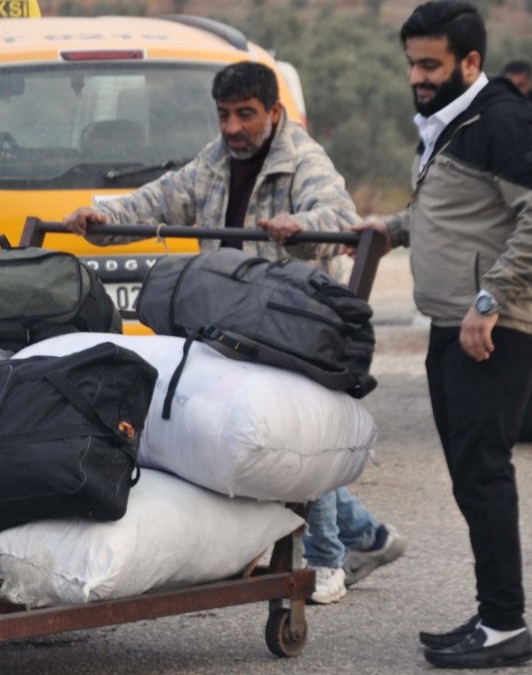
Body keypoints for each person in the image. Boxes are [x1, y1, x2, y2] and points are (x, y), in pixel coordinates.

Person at [63, 61, 405, 606]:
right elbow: (161, 197)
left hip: (293, 326)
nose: (232, 128)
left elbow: (335, 216)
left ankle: (326, 561)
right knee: (268, 442)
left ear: (275, 113)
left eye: (245, 115)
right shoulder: (215, 161)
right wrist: (104, 222)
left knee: (298, 439)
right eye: (224, 115)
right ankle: (372, 538)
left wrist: (301, 228)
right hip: (231, 322)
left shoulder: (304, 161)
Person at [354, 1, 532, 668]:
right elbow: (446, 210)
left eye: (430, 64)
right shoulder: (449, 122)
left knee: (483, 474)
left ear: (470, 63)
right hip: (459, 323)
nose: (416, 76)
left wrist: (487, 301)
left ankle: (505, 624)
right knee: (472, 476)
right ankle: (494, 613)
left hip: (494, 327)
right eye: (411, 62)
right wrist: (388, 229)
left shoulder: (504, 122)